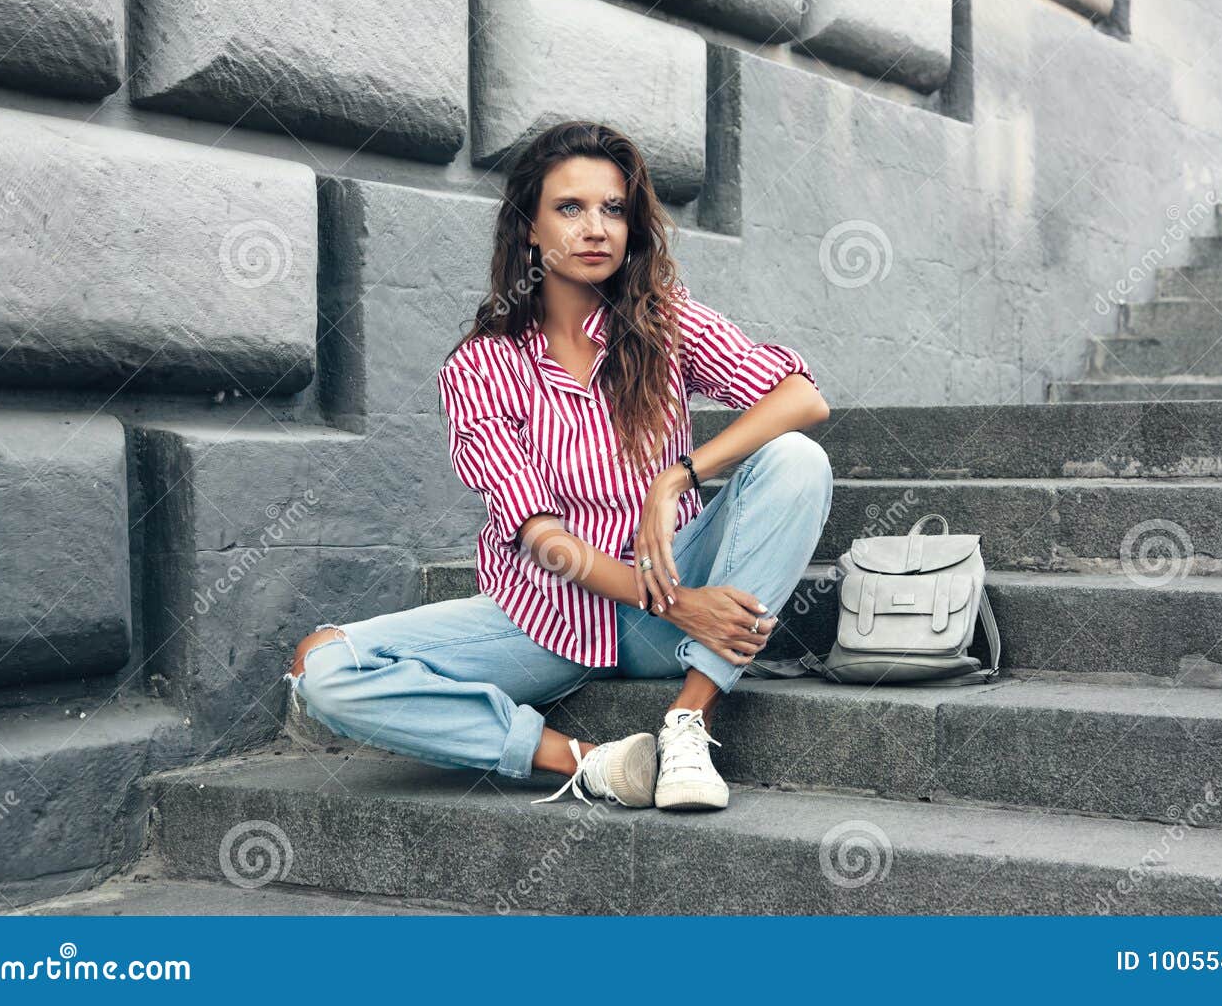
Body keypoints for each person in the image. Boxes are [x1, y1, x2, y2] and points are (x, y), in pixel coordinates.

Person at [285, 120, 832, 812]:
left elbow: (800, 397)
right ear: (529, 230)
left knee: (795, 460)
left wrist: (679, 477)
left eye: (613, 208)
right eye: (569, 208)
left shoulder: (663, 322)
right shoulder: (481, 366)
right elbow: (543, 541)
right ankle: (592, 760)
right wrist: (680, 604)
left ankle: (689, 721)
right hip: (548, 620)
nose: (595, 227)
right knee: (323, 665)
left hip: (670, 604)